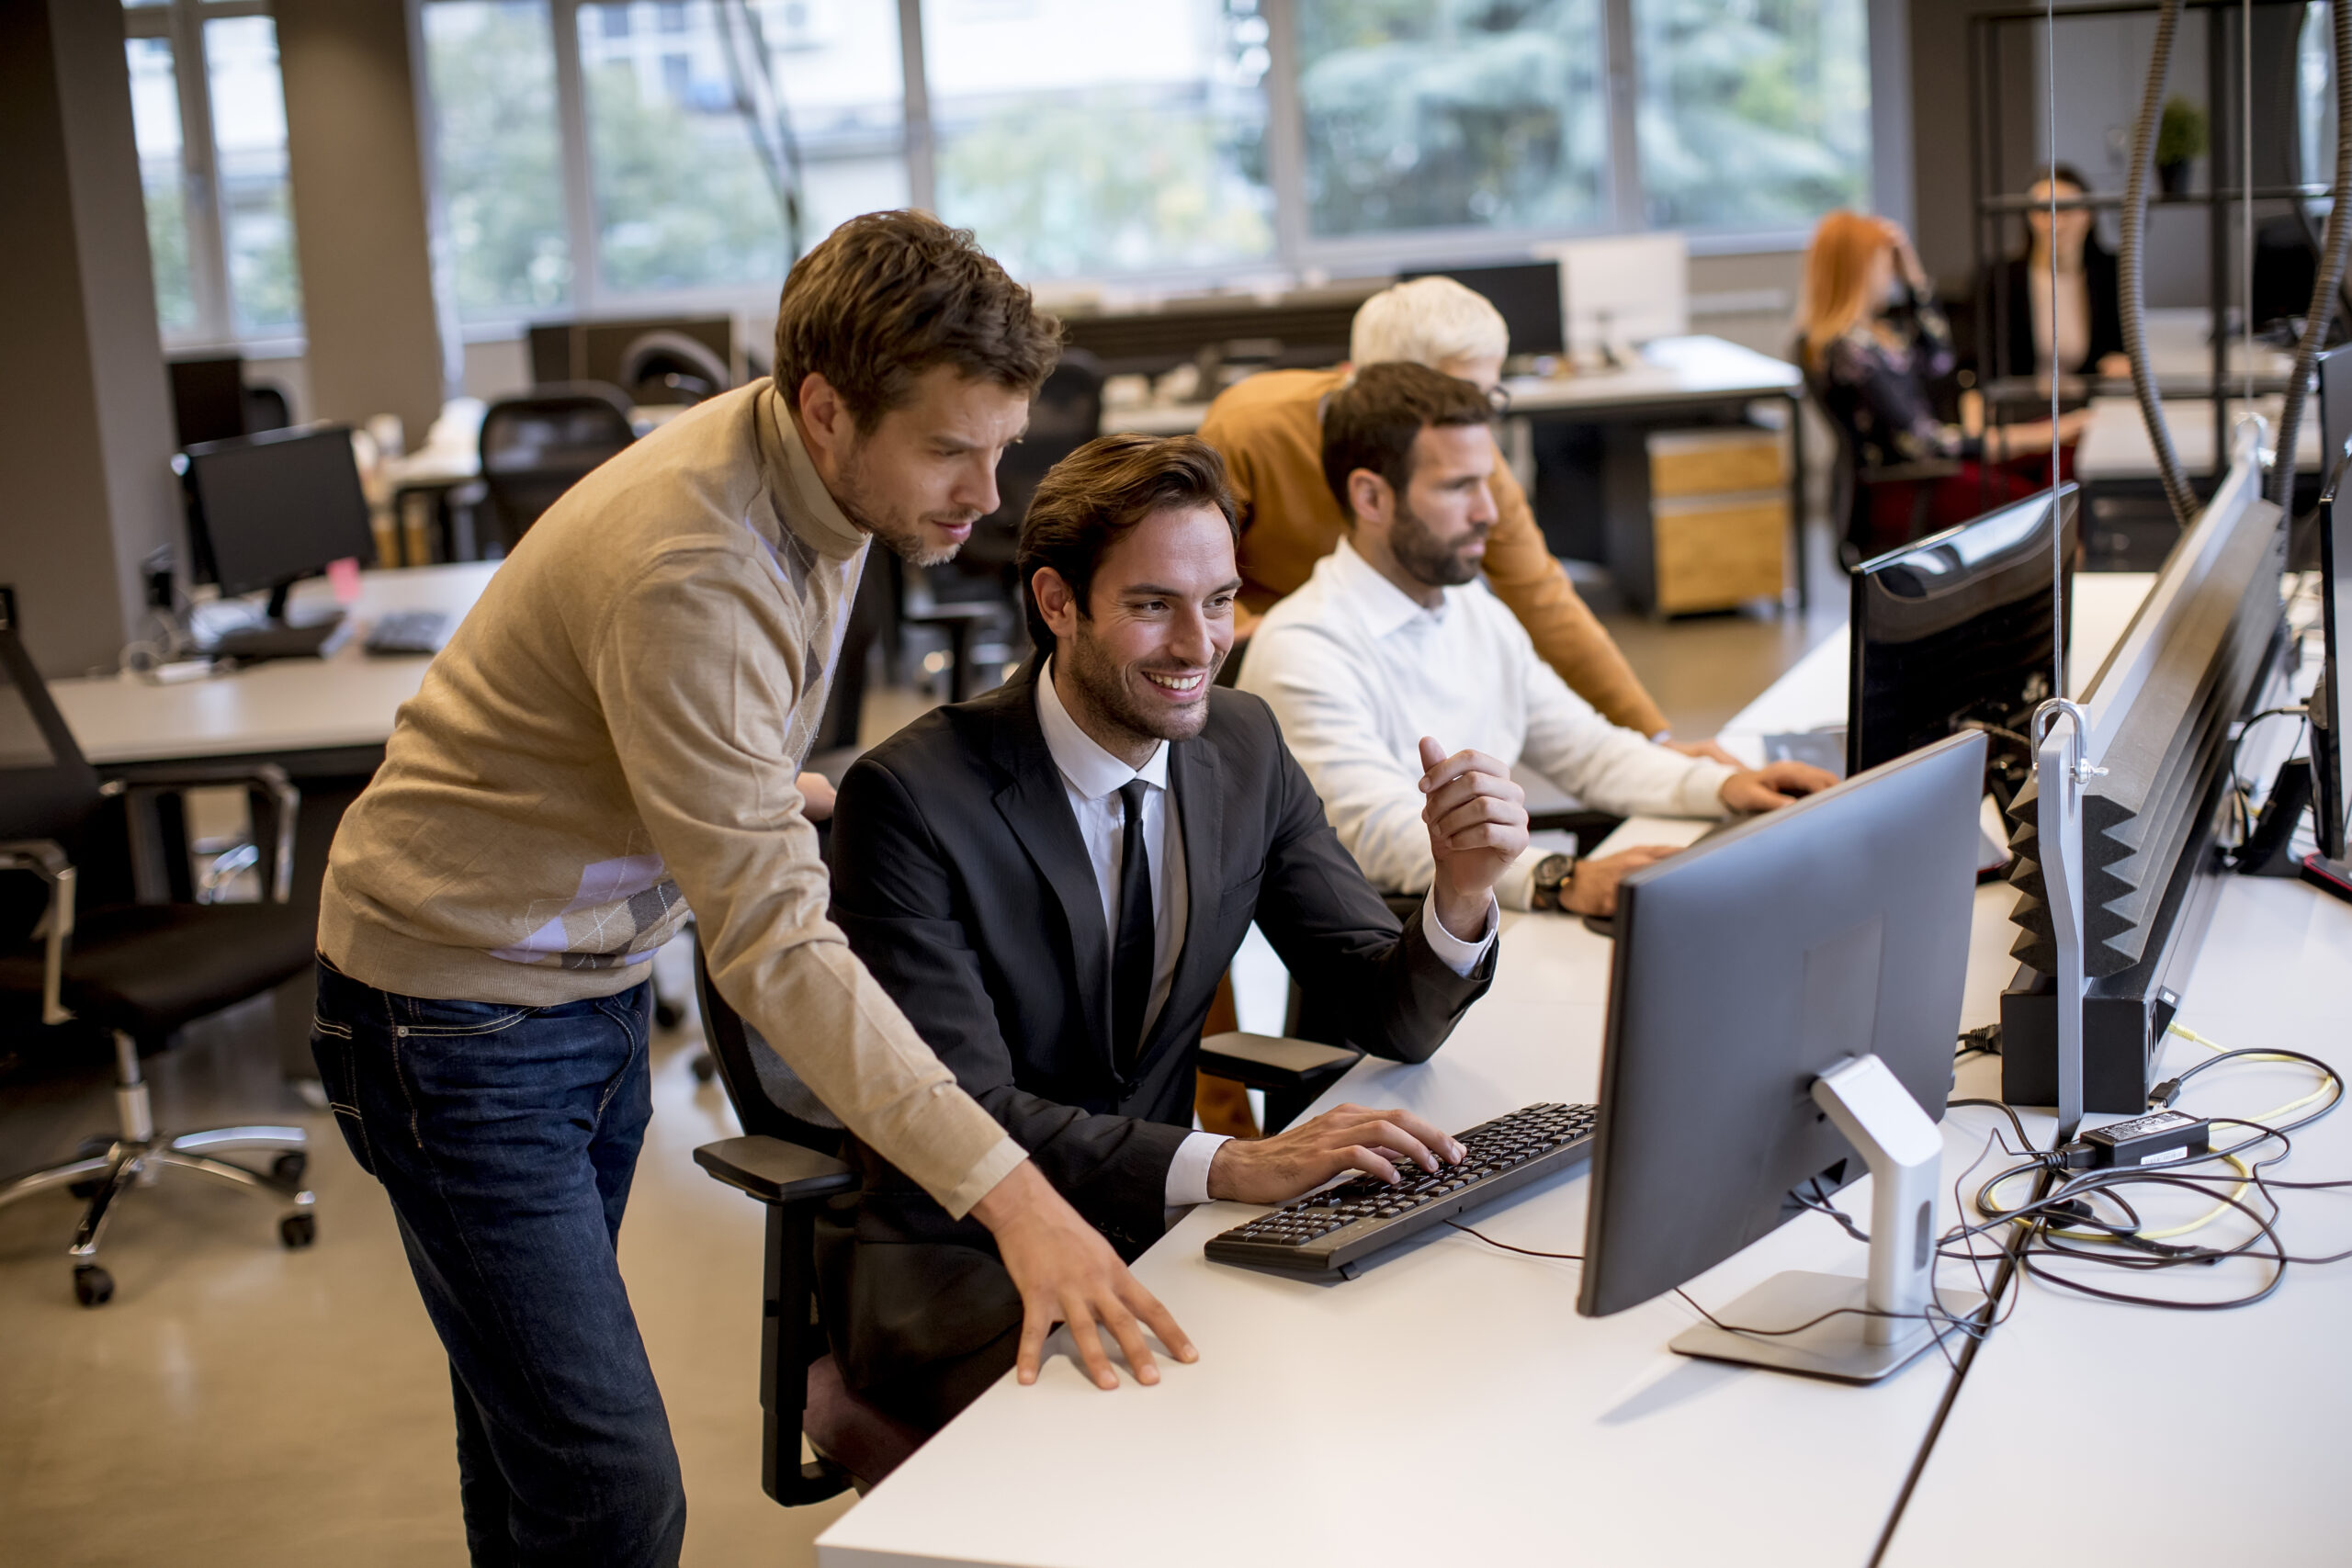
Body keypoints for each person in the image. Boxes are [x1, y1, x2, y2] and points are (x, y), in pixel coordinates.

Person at [311, 213, 1194, 1567]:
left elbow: (692, 710)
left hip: (582, 973)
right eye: (951, 450)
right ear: (827, 408)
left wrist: (759, 786)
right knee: (608, 1487)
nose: (984, 488)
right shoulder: (696, 562)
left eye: (999, 445)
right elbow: (775, 943)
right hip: (456, 1011)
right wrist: (1018, 1201)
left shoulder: (826, 483)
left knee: (531, 1447)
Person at [818, 433, 1525, 1430]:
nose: (1200, 646)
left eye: (1219, 601)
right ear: (1058, 603)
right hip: (968, 1261)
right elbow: (965, 1112)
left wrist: (1458, 893)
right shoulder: (911, 799)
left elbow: (1384, 1010)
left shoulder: (1240, 744)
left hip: (1166, 1224)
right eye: (1153, 606)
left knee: (1418, 1382)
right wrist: (1229, 1164)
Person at [1238, 363, 1836, 919]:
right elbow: (1378, 833)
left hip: (1486, 920)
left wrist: (1723, 786)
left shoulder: (1470, 606)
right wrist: (1556, 878)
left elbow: (1585, 748)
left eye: (1489, 483)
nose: (1489, 512)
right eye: (1458, 487)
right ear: (1371, 497)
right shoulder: (1305, 647)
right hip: (1398, 960)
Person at [1196, 276, 1732, 761]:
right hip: (1261, 657)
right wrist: (1247, 627)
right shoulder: (1252, 427)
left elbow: (1542, 596)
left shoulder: (1468, 457)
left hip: (1391, 648)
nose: (1473, 427)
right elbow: (1189, 568)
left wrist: (1657, 741)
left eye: (1486, 398)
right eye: (1458, 398)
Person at [1799, 209, 2088, 554]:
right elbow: (1924, 443)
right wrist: (2029, 437)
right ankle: (2057, 566)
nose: (1888, 274)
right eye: (1882, 263)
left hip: (1928, 471)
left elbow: (1939, 360)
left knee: (2059, 453)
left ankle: (2054, 566)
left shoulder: (1878, 334)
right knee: (2044, 507)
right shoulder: (1846, 350)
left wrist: (1916, 280)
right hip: (1908, 486)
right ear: (1857, 270)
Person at [1995, 163, 2129, 383]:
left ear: (2087, 215)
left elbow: (2121, 349)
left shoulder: (2112, 274)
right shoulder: (2001, 279)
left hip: (2093, 405)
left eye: (2065, 209)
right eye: (2044, 211)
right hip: (2023, 408)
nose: (2054, 223)